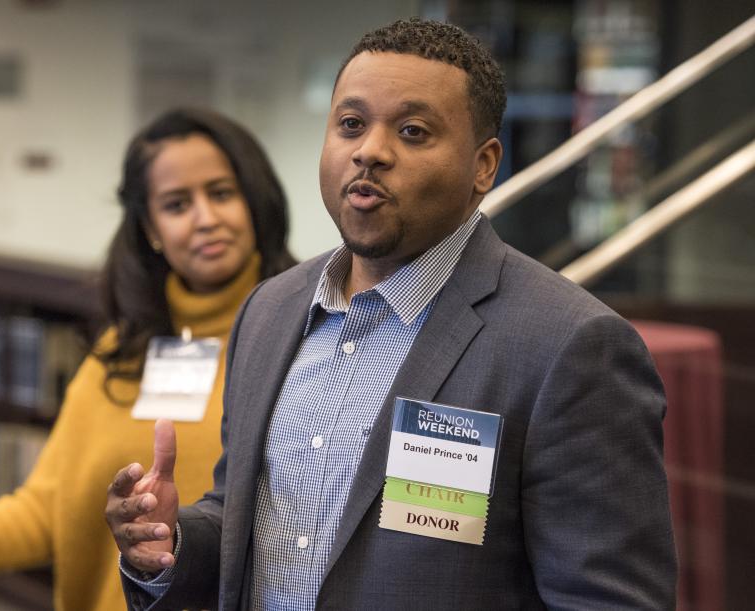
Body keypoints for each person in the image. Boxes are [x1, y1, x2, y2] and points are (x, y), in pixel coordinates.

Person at [108, 19, 676, 610]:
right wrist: (167, 542)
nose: (370, 151)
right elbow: (245, 523)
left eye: (412, 131)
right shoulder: (270, 311)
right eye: (350, 124)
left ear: (483, 166)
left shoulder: (569, 347)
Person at [0, 108, 296, 611]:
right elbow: (44, 513)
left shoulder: (304, 340)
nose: (206, 218)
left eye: (221, 193)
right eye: (177, 204)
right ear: (151, 228)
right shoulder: (119, 353)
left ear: (255, 203)